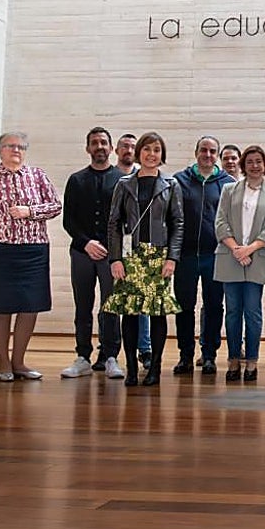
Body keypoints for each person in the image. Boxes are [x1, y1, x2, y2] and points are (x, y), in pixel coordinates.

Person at [0, 131, 62, 382]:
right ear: (0, 150)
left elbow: (55, 205)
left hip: (33, 250)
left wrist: (30, 211)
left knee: (30, 306)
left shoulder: (37, 175)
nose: (16, 150)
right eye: (10, 146)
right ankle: (3, 363)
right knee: (0, 306)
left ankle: (19, 362)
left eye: (21, 147)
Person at [104, 132, 183, 387]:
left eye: (157, 150)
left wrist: (172, 257)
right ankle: (130, 368)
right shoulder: (124, 184)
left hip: (159, 256)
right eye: (147, 149)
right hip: (131, 256)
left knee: (157, 312)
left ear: (162, 155)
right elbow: (114, 223)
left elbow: (178, 223)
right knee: (130, 311)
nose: (152, 154)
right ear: (139, 153)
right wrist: (115, 258)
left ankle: (155, 368)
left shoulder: (171, 184)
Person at [60, 127, 126, 380]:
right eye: (94, 143)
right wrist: (86, 242)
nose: (99, 146)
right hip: (82, 253)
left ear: (111, 148)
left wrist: (112, 248)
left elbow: (125, 219)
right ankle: (83, 357)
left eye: (103, 142)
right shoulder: (76, 180)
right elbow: (69, 220)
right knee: (83, 305)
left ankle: (110, 356)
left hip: (111, 255)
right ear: (88, 148)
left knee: (111, 306)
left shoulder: (122, 179)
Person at [214, 145, 265, 382]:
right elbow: (220, 222)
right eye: (250, 161)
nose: (255, 166)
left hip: (257, 258)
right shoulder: (229, 189)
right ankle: (233, 358)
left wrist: (249, 249)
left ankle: (252, 360)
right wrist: (236, 249)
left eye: (258, 161)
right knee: (233, 312)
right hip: (230, 257)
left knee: (253, 312)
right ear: (243, 165)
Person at [172, 136, 235, 375]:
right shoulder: (179, 180)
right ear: (196, 152)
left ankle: (209, 355)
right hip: (186, 256)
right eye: (204, 150)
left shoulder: (228, 183)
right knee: (184, 306)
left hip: (216, 255)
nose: (208, 155)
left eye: (212, 151)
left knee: (214, 306)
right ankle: (185, 355)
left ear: (217, 155)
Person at [112, 133, 152, 370]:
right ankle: (109, 350)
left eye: (132, 147)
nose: (128, 150)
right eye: (124, 146)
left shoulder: (144, 177)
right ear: (116, 150)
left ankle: (144, 348)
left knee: (141, 301)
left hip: (141, 250)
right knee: (114, 301)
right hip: (115, 249)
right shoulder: (113, 179)